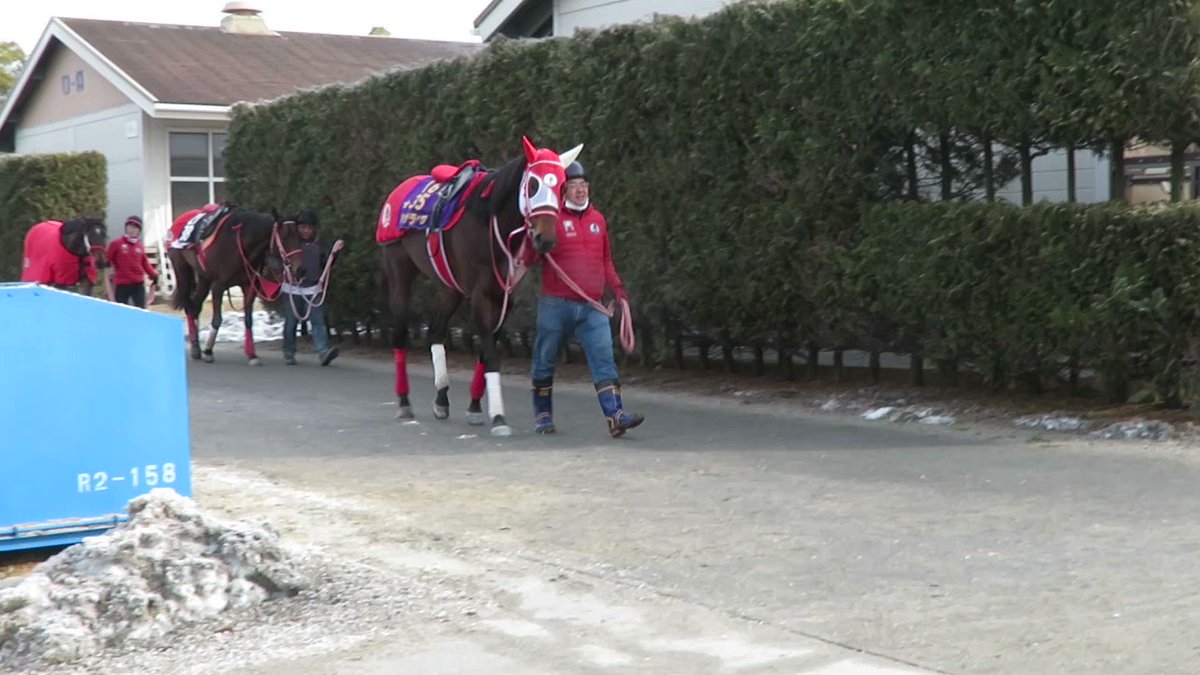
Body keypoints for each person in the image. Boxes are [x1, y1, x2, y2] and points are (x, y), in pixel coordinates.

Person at [520, 161, 644, 437]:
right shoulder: (552, 220)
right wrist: (531, 240)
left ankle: (616, 416)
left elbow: (606, 260)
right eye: (574, 185)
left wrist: (618, 290)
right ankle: (543, 414)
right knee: (545, 357)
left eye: (584, 185)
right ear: (564, 190)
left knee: (604, 358)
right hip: (556, 304)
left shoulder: (598, 219)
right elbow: (531, 258)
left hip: (592, 306)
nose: (580, 190)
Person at [281, 209, 339, 366]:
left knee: (318, 321)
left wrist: (334, 254)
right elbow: (275, 260)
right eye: (303, 227)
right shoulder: (291, 245)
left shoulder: (319, 246)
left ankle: (323, 351)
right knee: (291, 322)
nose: (306, 231)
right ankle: (289, 351)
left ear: (314, 229)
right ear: (297, 228)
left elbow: (326, 265)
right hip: (292, 289)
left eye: (309, 228)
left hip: (313, 289)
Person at [106, 216, 158, 308]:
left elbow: (145, 263)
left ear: (139, 231)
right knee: (121, 310)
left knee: (140, 310)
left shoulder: (140, 246)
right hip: (122, 284)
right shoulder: (116, 244)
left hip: (138, 284)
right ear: (126, 228)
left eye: (135, 228)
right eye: (130, 227)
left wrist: (153, 275)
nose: (132, 230)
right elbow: (107, 260)